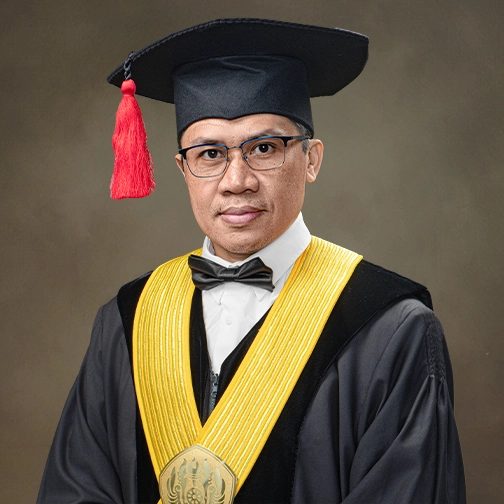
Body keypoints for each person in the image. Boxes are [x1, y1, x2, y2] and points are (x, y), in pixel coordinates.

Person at [37, 18, 466, 504]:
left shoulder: (391, 330)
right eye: (209, 153)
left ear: (311, 159)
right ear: (183, 169)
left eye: (264, 148)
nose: (236, 180)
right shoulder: (127, 319)